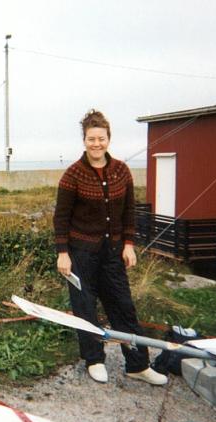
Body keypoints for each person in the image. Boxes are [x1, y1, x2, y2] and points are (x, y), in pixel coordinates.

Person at [53, 109, 167, 386]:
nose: (96, 144)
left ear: (108, 139)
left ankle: (137, 365)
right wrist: (63, 253)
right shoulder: (73, 175)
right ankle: (94, 360)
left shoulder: (121, 171)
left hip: (113, 253)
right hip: (80, 254)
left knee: (123, 307)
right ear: (84, 141)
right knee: (85, 308)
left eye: (101, 139)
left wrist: (129, 244)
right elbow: (61, 217)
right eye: (91, 139)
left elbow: (130, 213)